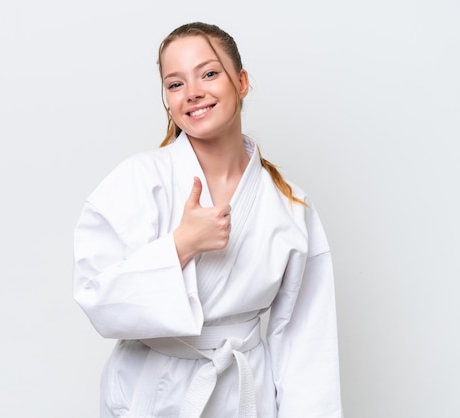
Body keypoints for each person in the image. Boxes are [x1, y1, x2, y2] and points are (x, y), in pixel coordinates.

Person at [73, 22, 343, 418]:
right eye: (175, 84)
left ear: (242, 81)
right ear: (167, 99)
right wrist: (181, 245)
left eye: (209, 73)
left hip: (242, 392)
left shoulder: (290, 206)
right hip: (151, 392)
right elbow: (96, 297)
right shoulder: (138, 181)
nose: (193, 92)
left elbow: (307, 345)